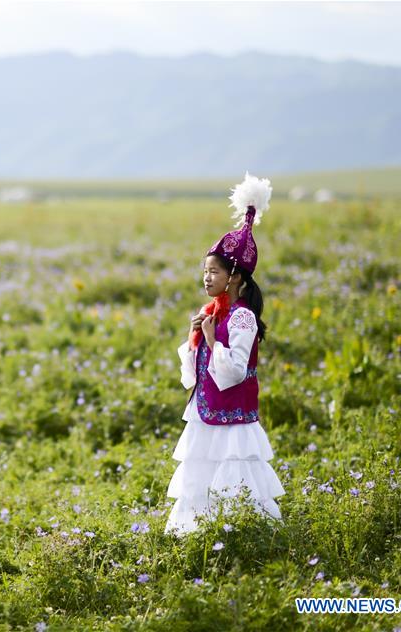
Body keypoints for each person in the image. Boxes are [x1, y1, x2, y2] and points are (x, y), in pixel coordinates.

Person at [165, 173, 284, 535]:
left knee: (236, 477)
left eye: (213, 271)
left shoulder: (243, 317)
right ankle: (204, 536)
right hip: (205, 412)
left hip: (234, 419)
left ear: (234, 276)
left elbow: (233, 371)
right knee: (201, 475)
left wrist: (214, 340)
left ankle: (243, 537)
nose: (206, 277)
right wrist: (194, 337)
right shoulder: (213, 312)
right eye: (204, 271)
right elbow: (193, 373)